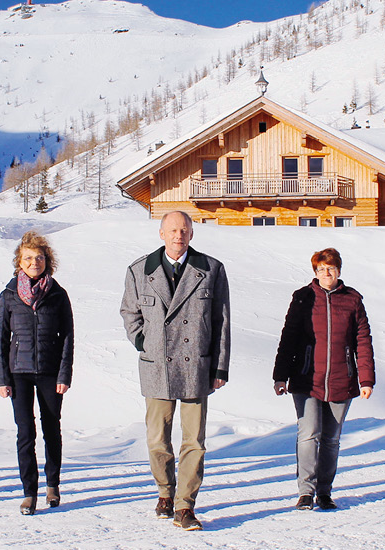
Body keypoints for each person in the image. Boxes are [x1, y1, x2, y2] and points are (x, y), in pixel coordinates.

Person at [119, 211, 230, 531]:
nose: (178, 235)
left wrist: (219, 365)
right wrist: (144, 342)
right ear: (161, 233)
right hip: (157, 366)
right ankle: (165, 493)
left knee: (194, 441)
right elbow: (129, 312)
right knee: (157, 439)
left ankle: (185, 505)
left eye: (184, 230)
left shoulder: (211, 269)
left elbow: (221, 320)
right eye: (172, 230)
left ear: (192, 234)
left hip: (197, 365)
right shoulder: (140, 270)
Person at [273, 248, 375, 511]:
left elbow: (362, 340)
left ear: (339, 270)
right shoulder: (303, 297)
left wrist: (366, 379)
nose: (326, 273)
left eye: (330, 268)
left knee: (331, 438)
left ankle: (325, 492)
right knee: (308, 434)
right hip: (307, 377)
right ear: (314, 272)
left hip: (343, 379)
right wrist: (280, 376)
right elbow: (289, 337)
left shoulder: (352, 300)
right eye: (321, 269)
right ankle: (305, 491)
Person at [0, 230, 74, 516]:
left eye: (39, 257)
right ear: (19, 262)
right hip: (19, 373)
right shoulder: (9, 295)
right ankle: (29, 492)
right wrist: (2, 378)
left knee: (52, 430)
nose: (34, 262)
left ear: (47, 261)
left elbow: (67, 336)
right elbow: (1, 338)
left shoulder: (58, 294)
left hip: (51, 372)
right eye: (28, 258)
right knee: (25, 433)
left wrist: (65, 374)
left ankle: (53, 484)